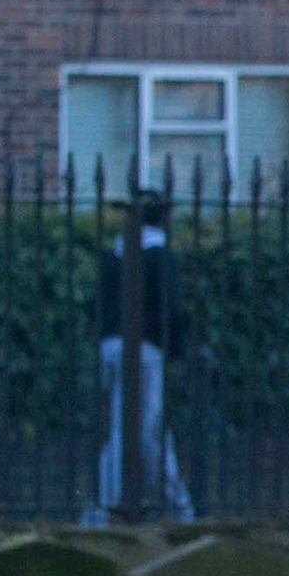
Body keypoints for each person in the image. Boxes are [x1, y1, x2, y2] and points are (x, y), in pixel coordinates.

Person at [87, 190, 195, 524]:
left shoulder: (115, 255)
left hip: (110, 346)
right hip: (146, 350)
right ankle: (100, 508)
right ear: (164, 218)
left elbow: (95, 305)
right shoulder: (160, 257)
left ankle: (179, 504)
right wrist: (177, 352)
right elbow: (173, 311)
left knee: (149, 427)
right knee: (131, 429)